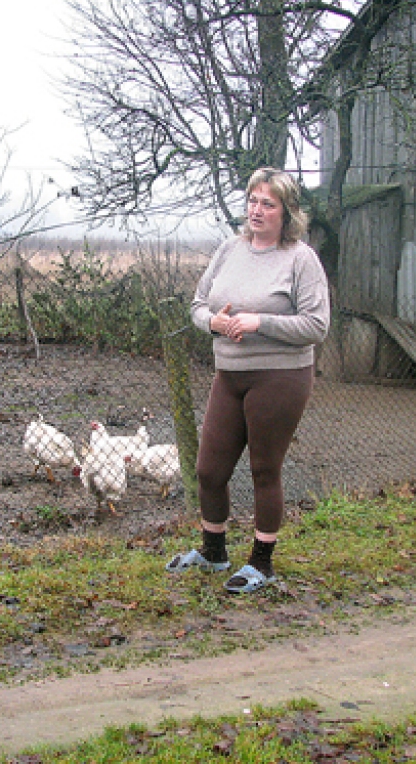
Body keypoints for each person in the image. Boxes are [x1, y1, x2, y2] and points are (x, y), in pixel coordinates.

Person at [166, 167, 330, 593]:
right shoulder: (228, 249)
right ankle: (214, 552)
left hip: (280, 376)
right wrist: (214, 323)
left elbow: (316, 325)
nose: (257, 210)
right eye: (253, 201)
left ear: (287, 211)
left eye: (268, 203)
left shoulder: (300, 259)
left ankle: (262, 564)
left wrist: (261, 322)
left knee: (263, 470)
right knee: (209, 469)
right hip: (230, 374)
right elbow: (199, 305)